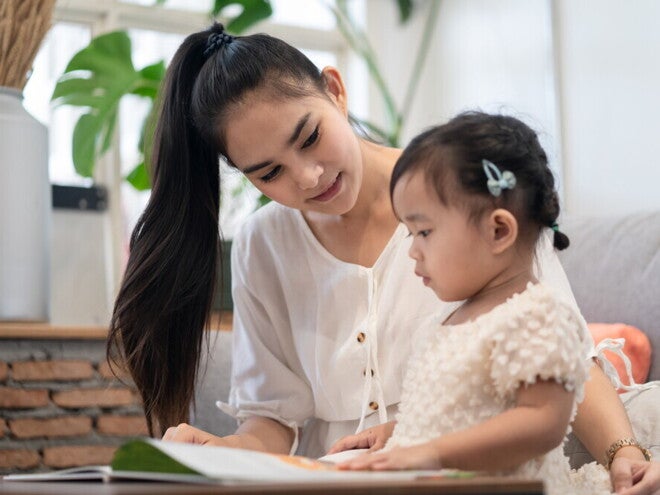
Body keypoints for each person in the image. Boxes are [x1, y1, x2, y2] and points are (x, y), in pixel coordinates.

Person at [106, 22, 655, 494]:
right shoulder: (262, 246)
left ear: (335, 91)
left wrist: (622, 453)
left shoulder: (468, 195)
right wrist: (222, 451)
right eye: (269, 173)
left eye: (309, 137)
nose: (308, 177)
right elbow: (273, 422)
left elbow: (565, 359)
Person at [328, 111, 616, 494]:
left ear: (498, 230)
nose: (411, 251)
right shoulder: (449, 320)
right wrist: (399, 433)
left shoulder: (536, 314)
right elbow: (465, 417)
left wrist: (430, 452)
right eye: (409, 233)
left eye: (424, 232)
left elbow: (541, 421)